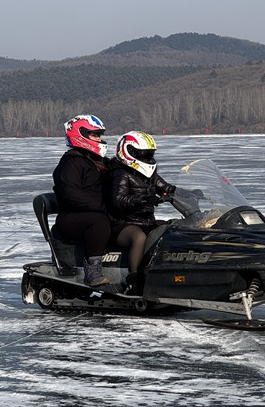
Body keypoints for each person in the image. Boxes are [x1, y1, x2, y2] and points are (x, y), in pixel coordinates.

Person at [108, 131, 176, 292]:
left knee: (171, 229)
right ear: (129, 152)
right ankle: (133, 278)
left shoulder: (149, 174)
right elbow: (118, 200)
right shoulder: (121, 173)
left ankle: (164, 272)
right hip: (123, 224)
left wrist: (185, 193)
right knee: (139, 238)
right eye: (143, 155)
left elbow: (165, 187)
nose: (147, 159)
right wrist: (143, 199)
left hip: (146, 221)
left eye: (149, 155)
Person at [52, 114, 112, 286]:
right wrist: (101, 206)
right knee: (99, 221)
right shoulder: (70, 163)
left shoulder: (98, 161)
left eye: (99, 135)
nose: (99, 138)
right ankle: (92, 271)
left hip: (92, 213)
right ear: (81, 135)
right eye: (95, 134)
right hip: (71, 218)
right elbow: (70, 194)